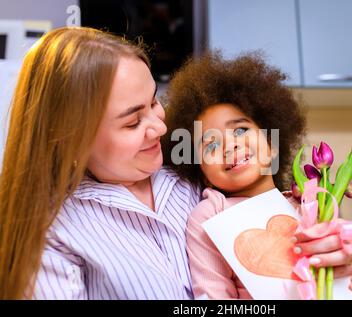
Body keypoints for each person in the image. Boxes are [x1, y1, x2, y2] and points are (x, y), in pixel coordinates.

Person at [0, 27, 201, 299]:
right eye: (132, 123)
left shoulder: (190, 170)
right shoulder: (53, 233)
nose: (160, 128)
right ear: (72, 139)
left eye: (154, 102)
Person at [163, 52, 352, 299]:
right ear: (204, 175)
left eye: (241, 130)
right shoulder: (210, 214)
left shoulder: (309, 203)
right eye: (210, 145)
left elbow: (347, 273)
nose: (229, 146)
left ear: (272, 144)